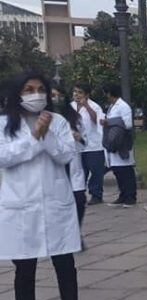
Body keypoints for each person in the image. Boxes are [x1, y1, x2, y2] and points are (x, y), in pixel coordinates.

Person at [0, 71, 92, 300]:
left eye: (40, 88)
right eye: (29, 89)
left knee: (64, 259)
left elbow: (65, 154)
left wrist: (46, 134)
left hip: (55, 200)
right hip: (21, 202)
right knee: (24, 263)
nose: (36, 94)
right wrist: (35, 137)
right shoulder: (5, 123)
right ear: (18, 93)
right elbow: (5, 158)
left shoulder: (59, 121)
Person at [52, 86, 87, 227]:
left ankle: (76, 232)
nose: (56, 99)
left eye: (59, 95)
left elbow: (85, 142)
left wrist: (79, 138)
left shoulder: (74, 117)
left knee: (79, 201)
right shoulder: (44, 117)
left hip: (73, 165)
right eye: (53, 95)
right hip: (55, 168)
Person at [100, 83, 136, 208]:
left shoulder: (123, 106)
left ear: (110, 93)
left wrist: (109, 122)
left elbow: (128, 124)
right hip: (113, 142)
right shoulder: (112, 106)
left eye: (106, 93)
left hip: (122, 143)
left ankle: (130, 196)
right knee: (118, 171)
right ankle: (123, 194)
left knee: (126, 171)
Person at [72, 84, 106, 205]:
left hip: (93, 145)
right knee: (80, 171)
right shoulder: (71, 106)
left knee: (96, 171)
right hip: (77, 146)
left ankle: (96, 195)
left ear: (86, 95)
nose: (76, 94)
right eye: (75, 92)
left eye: (80, 92)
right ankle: (79, 195)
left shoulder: (94, 106)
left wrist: (86, 106)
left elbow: (96, 120)